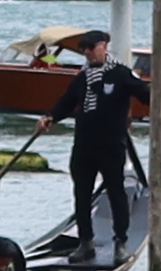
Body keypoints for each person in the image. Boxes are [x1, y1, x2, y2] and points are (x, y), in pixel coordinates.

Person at [54, 28, 148, 259]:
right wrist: (50, 117)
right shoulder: (82, 78)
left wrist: (158, 92)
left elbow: (144, 95)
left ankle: (121, 242)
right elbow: (66, 102)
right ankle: (85, 242)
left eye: (91, 48)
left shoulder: (121, 74)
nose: (87, 53)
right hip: (84, 145)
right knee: (81, 194)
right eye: (83, 50)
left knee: (116, 192)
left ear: (104, 46)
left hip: (111, 145)